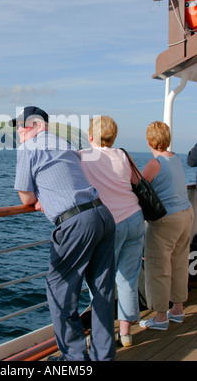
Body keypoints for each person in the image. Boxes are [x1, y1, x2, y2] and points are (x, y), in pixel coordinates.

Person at [10, 106, 116, 361]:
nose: (19, 131)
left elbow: (25, 196)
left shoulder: (28, 148)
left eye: (23, 126)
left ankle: (75, 360)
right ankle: (103, 358)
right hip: (102, 215)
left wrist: (38, 198)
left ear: (38, 126)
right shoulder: (65, 143)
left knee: (59, 293)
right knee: (102, 294)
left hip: (77, 223)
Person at [79, 116, 145, 348]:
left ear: (90, 136)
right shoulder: (123, 154)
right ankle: (125, 334)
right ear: (114, 136)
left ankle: (101, 335)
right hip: (136, 219)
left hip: (111, 224)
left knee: (101, 282)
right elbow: (138, 182)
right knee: (128, 278)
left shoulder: (83, 156)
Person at [139, 121, 194, 330]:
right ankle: (178, 310)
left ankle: (161, 317)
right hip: (186, 214)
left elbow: (140, 187)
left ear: (149, 140)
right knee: (180, 263)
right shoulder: (176, 159)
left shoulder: (155, 163)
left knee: (158, 266)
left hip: (166, 221)